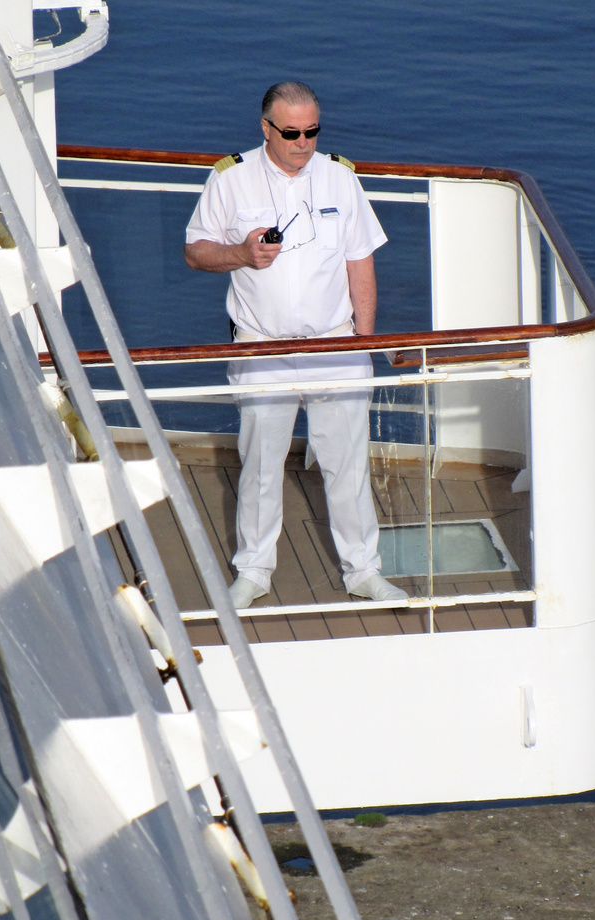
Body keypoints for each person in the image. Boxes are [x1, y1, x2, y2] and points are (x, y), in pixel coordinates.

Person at [184, 82, 408, 610]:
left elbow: (360, 261)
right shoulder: (230, 180)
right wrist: (240, 253)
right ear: (266, 129)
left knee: (347, 465)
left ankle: (363, 571)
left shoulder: (340, 177)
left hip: (336, 346)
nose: (303, 143)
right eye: (291, 133)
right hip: (262, 348)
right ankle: (254, 572)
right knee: (261, 463)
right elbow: (195, 252)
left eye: (312, 131)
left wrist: (365, 344)